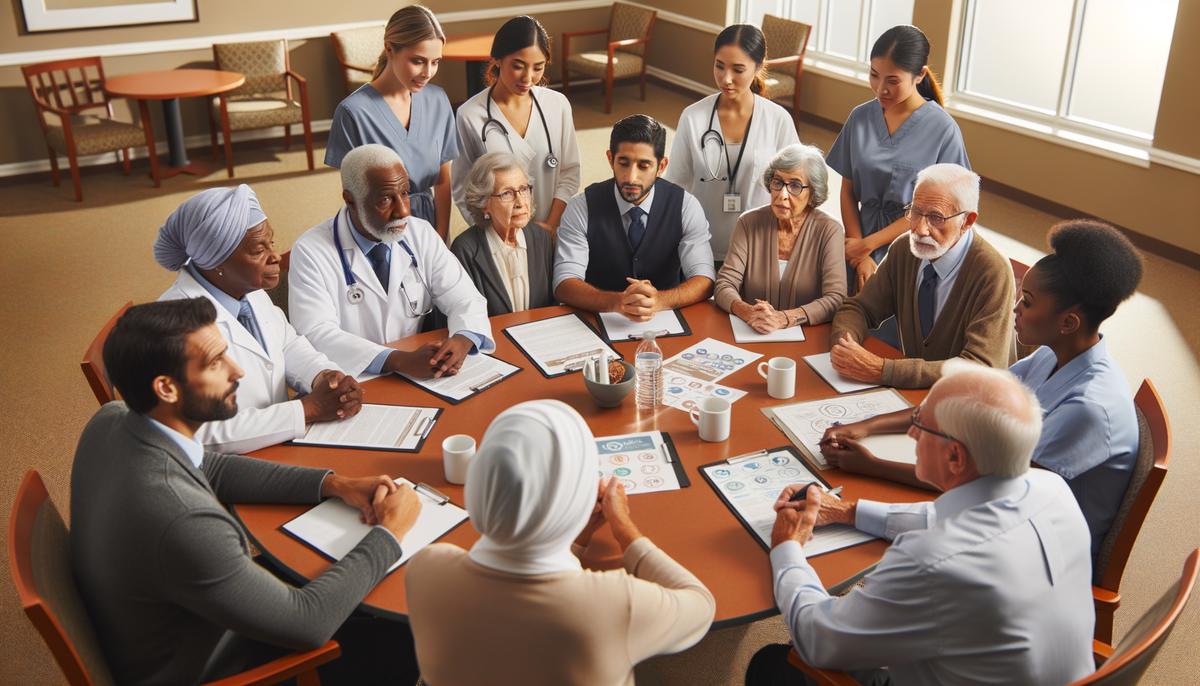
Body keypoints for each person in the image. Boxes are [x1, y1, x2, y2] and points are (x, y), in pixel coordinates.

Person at [70, 298, 423, 686]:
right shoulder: (184, 518)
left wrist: (332, 484)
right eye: (216, 363)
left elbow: (210, 465)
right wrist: (389, 533)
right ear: (166, 388)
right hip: (229, 665)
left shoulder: (113, 420)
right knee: (422, 632)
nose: (237, 371)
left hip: (178, 620)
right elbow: (306, 623)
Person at [746, 361, 1095, 685]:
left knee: (775, 663)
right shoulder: (1054, 490)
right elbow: (943, 518)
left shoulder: (929, 562)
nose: (911, 433)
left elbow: (815, 639)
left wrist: (787, 547)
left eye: (921, 423)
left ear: (955, 456)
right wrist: (847, 511)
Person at [821, 220, 1143, 568]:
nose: (1015, 308)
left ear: (1068, 323)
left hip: (1037, 552)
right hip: (1007, 508)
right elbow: (968, 397)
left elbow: (989, 492)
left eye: (1028, 302)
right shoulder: (1053, 353)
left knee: (873, 555)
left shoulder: (1089, 408)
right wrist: (867, 426)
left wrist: (872, 467)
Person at [406, 400, 715, 685]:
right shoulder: (613, 604)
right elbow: (701, 605)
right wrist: (623, 527)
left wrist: (576, 540)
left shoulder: (426, 568)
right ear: (574, 495)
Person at [154, 185, 361, 454]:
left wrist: (324, 376)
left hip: (278, 443)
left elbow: (287, 344)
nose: (274, 256)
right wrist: (306, 410)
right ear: (216, 261)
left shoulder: (246, 290)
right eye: (257, 250)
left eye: (271, 243)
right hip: (229, 467)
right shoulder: (176, 325)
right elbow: (200, 431)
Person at [289, 144, 493, 379]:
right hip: (353, 378)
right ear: (350, 200)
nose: (403, 211)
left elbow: (464, 297)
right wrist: (397, 359)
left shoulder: (421, 233)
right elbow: (315, 333)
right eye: (385, 199)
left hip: (418, 370)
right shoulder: (311, 251)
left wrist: (463, 338)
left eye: (405, 193)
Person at [828, 163, 1013, 389]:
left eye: (936, 217)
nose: (920, 229)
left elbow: (980, 367)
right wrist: (845, 346)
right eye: (915, 211)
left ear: (967, 221)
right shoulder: (904, 248)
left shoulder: (993, 272)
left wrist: (883, 370)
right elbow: (860, 308)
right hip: (911, 395)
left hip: (966, 404)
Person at [827, 25, 970, 293]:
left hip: (914, 244)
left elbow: (938, 211)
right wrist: (857, 248)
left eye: (893, 81)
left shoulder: (943, 129)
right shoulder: (860, 117)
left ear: (920, 76)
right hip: (857, 240)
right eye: (874, 75)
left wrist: (868, 246)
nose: (880, 89)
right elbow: (847, 190)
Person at [553, 114, 716, 321]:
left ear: (662, 166)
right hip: (597, 321)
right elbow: (564, 283)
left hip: (666, 321)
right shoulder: (581, 206)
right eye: (623, 163)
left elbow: (705, 279)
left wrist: (659, 301)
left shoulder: (686, 205)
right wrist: (617, 302)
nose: (631, 177)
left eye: (644, 166)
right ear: (610, 159)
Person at [665, 24, 800, 261]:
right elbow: (677, 185)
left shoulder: (778, 120)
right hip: (701, 243)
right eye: (719, 66)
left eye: (738, 69)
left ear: (758, 67)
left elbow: (796, 188)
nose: (726, 79)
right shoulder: (693, 117)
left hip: (760, 248)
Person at [325, 5, 458, 239]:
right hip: (378, 230)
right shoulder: (352, 112)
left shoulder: (437, 100)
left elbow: (443, 181)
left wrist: (440, 236)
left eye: (435, 62)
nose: (428, 72)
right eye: (418, 61)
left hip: (430, 229)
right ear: (389, 49)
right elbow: (353, 196)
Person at [451, 15, 580, 234]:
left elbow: (569, 172)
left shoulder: (557, 105)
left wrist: (550, 226)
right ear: (497, 59)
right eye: (518, 66)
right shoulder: (470, 115)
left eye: (538, 68)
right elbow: (464, 189)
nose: (528, 78)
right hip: (500, 235)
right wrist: (498, 233)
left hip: (551, 230)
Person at [715, 144, 846, 333]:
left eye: (795, 186)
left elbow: (836, 298)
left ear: (813, 193)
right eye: (778, 182)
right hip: (752, 331)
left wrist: (783, 318)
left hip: (808, 339)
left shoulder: (829, 230)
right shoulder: (748, 223)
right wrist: (748, 312)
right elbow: (724, 284)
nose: (782, 195)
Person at [451, 152, 555, 315]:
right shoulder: (465, 250)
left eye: (524, 189)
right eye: (506, 193)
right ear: (484, 203)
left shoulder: (542, 239)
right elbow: (464, 317)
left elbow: (552, 305)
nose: (520, 202)